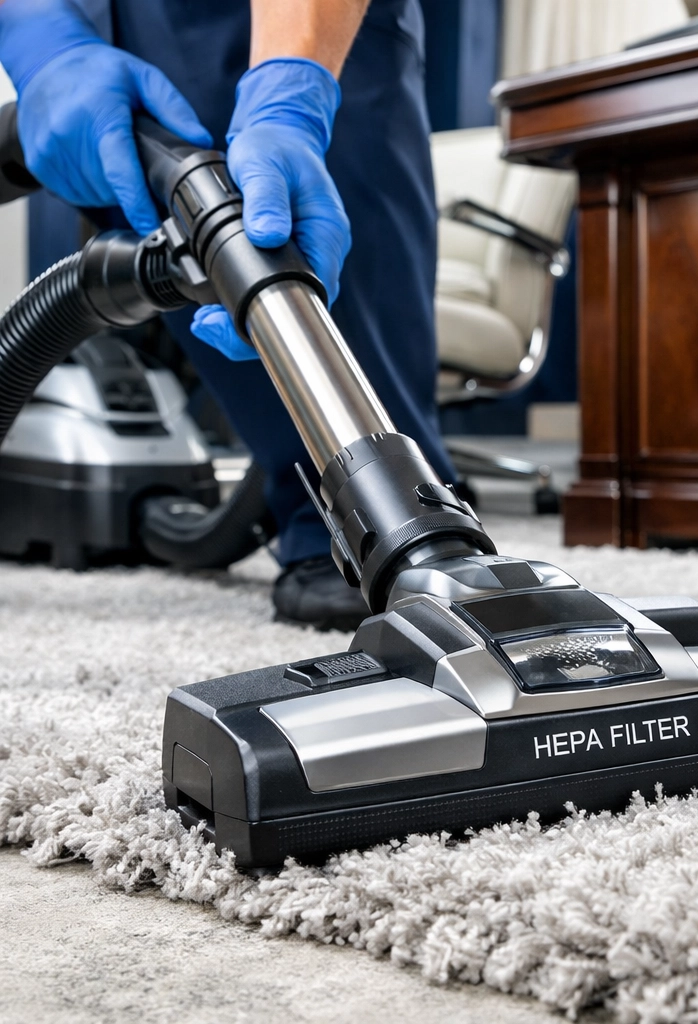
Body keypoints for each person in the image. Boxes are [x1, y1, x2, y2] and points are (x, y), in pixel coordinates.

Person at [0, 0, 456, 629]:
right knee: (200, 260)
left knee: (301, 229)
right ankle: (333, 516)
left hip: (293, 23)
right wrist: (44, 41)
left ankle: (400, 524)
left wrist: (290, 92)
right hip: (102, 28)